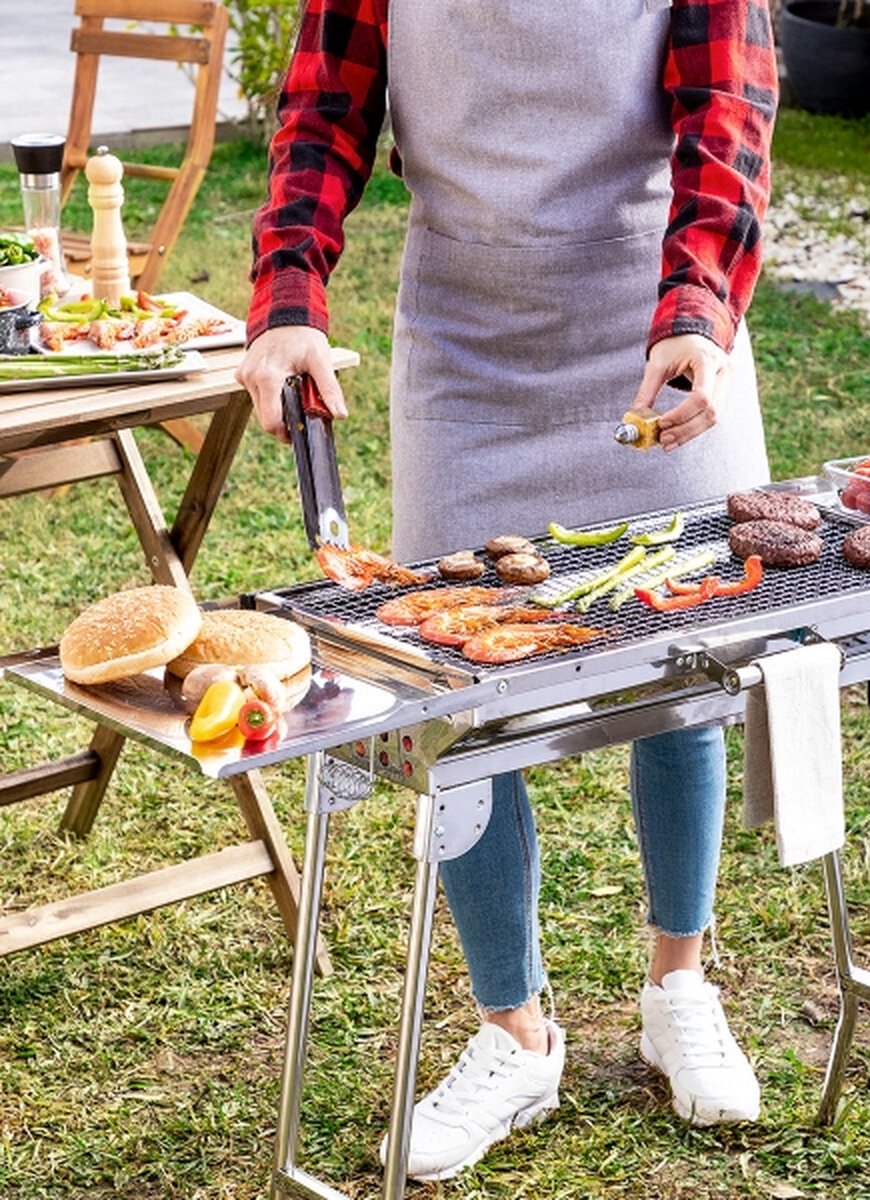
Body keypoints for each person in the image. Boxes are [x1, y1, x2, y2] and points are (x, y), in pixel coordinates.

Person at [236, 0, 778, 1181]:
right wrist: (287, 302)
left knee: (681, 657)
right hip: (466, 341)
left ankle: (677, 985)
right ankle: (512, 1032)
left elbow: (727, 117)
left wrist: (699, 312)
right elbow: (325, 109)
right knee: (457, 700)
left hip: (649, 321)